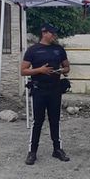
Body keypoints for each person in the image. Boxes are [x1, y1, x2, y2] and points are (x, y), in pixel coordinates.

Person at [21, 23, 71, 165]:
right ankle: (32, 152)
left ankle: (57, 149)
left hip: (55, 89)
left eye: (55, 33)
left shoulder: (59, 49)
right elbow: (23, 71)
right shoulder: (33, 50)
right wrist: (39, 70)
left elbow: (67, 67)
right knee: (38, 121)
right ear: (44, 33)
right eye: (52, 33)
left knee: (55, 120)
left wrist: (61, 70)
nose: (54, 35)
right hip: (39, 90)